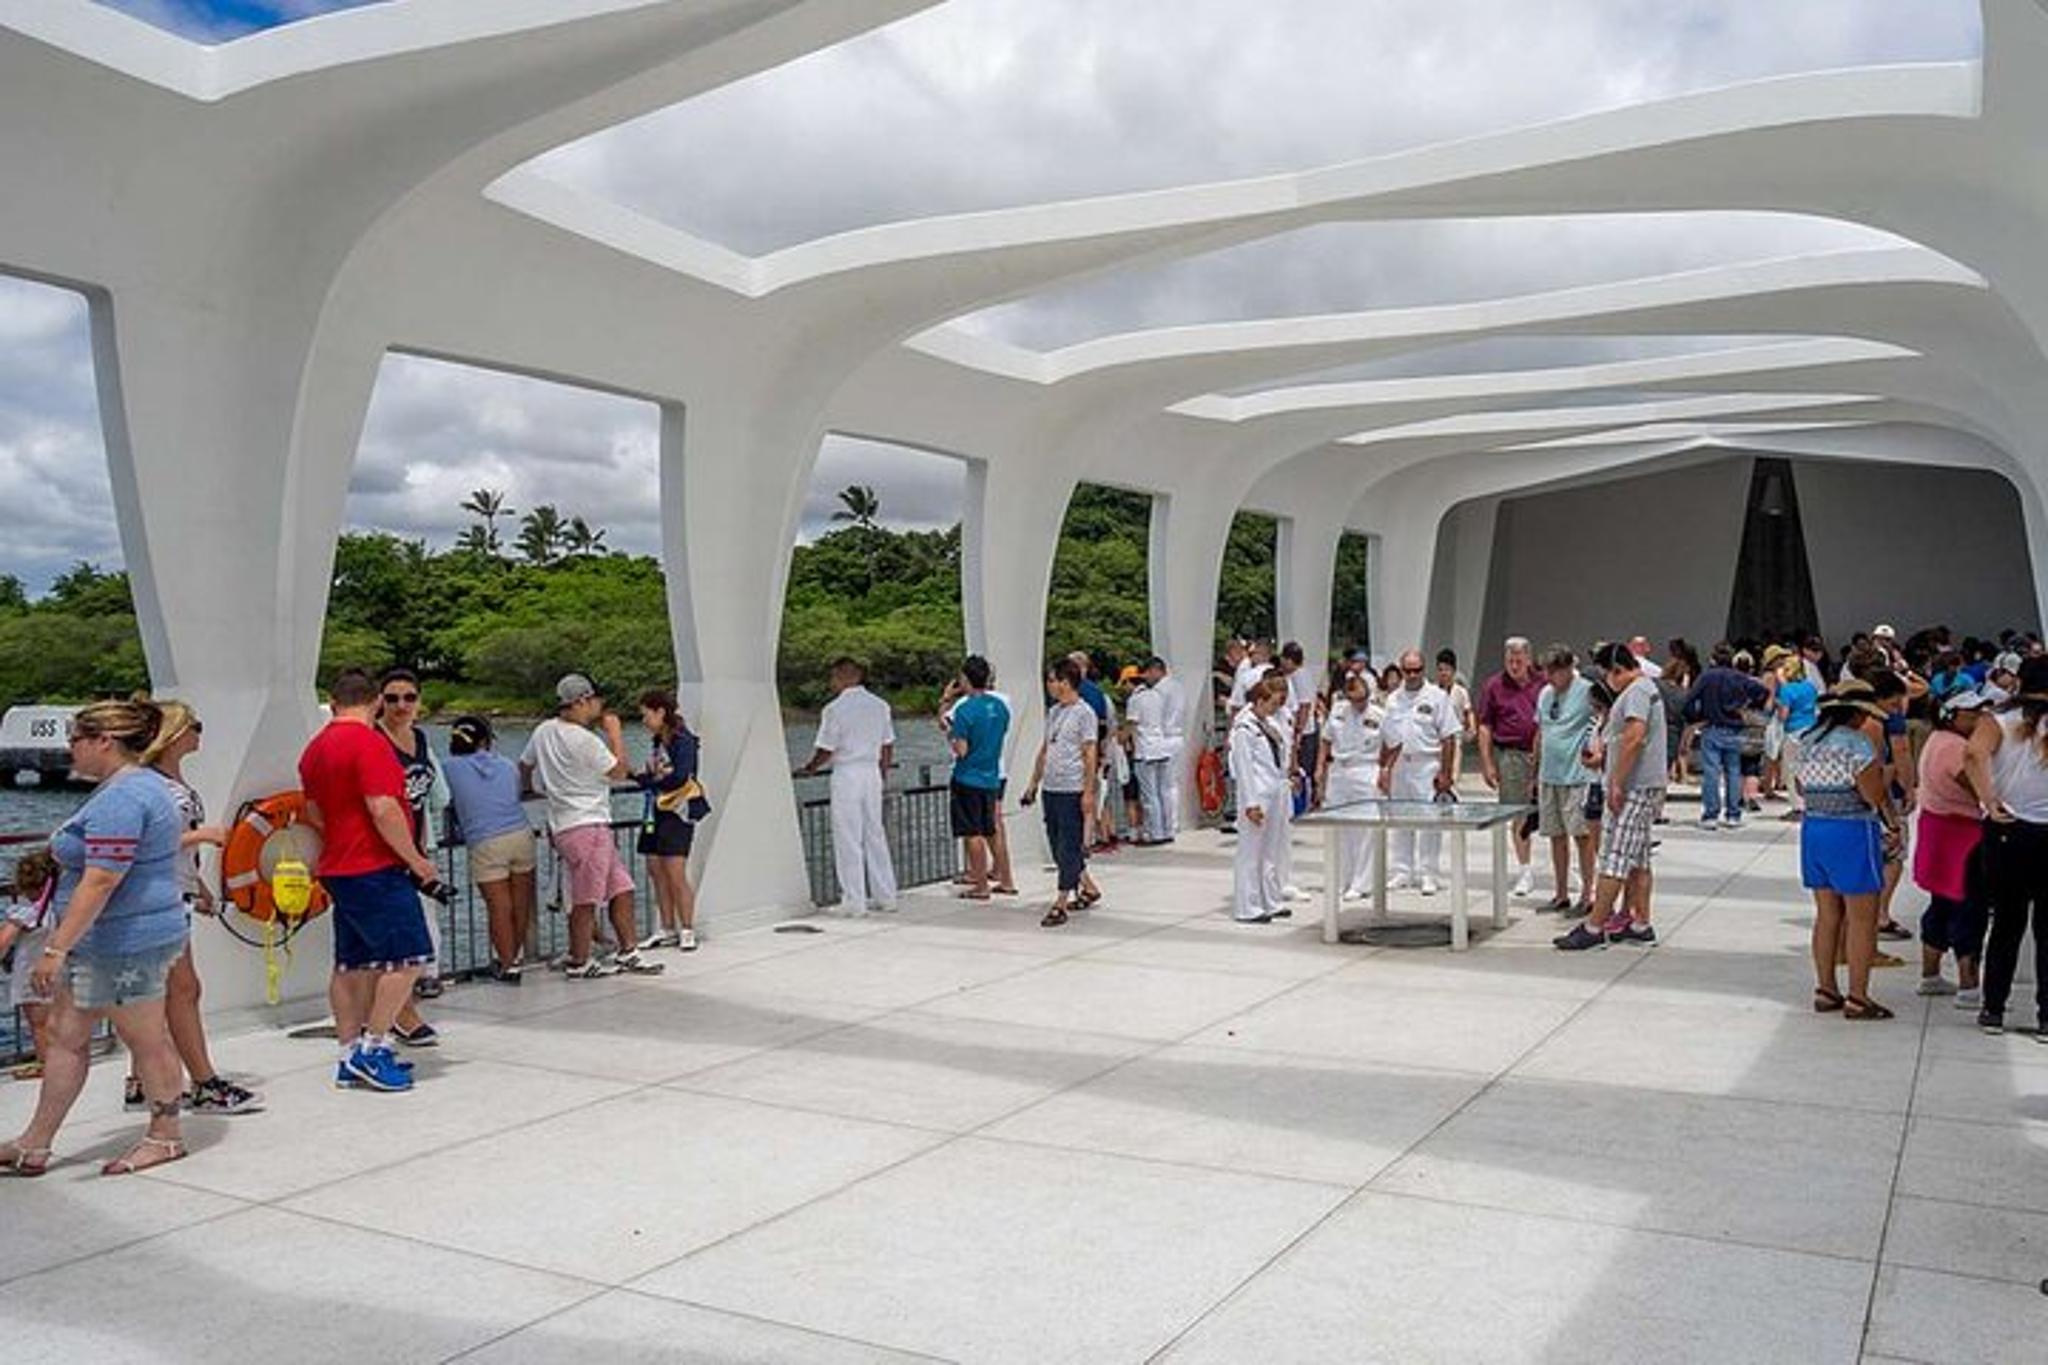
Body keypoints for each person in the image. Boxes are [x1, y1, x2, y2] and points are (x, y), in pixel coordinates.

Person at [0, 702, 196, 1175]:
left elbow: (101, 879)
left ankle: (166, 1135)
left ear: (103, 742)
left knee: (146, 1038)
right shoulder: (143, 788)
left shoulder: (123, 799)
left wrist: (54, 948)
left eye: (75, 741)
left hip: (124, 941)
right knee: (67, 1037)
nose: (70, 751)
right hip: (108, 940)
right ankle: (35, 1141)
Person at [301, 671, 449, 1092]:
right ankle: (375, 1045)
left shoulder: (315, 750)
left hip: (337, 867)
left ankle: (348, 1054)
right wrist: (416, 860)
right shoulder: (371, 744)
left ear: (332, 701)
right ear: (375, 703)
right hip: (375, 867)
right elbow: (384, 808)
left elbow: (313, 811)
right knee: (407, 958)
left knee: (352, 964)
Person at [133, 701, 260, 1113]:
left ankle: (140, 1081)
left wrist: (200, 887)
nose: (199, 733)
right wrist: (203, 835)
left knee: (158, 993)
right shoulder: (151, 786)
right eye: (194, 726)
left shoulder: (169, 782)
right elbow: (143, 843)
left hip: (176, 893)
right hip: (158, 901)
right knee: (184, 990)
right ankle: (204, 1082)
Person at [523, 673, 661, 973]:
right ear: (582, 701)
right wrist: (615, 735)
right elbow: (620, 771)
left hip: (566, 824)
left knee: (621, 887)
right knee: (587, 897)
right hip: (589, 824)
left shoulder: (543, 731)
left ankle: (628, 949)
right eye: (596, 700)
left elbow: (525, 764)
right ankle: (579, 959)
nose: (600, 706)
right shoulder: (586, 741)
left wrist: (529, 790)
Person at [1794, 681, 1900, 1019]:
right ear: (1856, 713)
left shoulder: (1806, 741)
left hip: (1814, 830)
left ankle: (1826, 988)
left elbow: (1799, 785)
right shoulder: (1857, 744)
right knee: (1861, 919)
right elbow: (1872, 795)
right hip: (1852, 832)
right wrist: (1893, 820)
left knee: (1827, 915)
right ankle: (1858, 996)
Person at [1555, 644, 1667, 951]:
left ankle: (1594, 926)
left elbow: (1634, 737)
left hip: (1634, 787)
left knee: (1615, 857)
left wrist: (1616, 782)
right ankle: (1640, 922)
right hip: (1641, 784)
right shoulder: (1643, 689)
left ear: (1617, 668)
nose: (1608, 681)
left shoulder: (1637, 692)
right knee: (1639, 858)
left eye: (1608, 673)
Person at [1962, 656, 2048, 1037]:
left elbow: (1972, 754)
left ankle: (1993, 1007)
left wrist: (1988, 798)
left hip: (2007, 829)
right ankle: (2046, 1016)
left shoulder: (1997, 718)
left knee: (2007, 923)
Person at [794, 658, 898, 918]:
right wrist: (882, 772)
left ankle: (854, 900)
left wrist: (811, 767)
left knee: (848, 836)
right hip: (871, 772)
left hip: (848, 773)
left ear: (842, 677)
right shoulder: (880, 705)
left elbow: (827, 748)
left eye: (833, 678)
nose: (832, 683)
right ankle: (886, 896)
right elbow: (887, 745)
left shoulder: (834, 709)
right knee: (875, 833)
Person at [377, 669, 448, 1041]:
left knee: (411, 942)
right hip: (384, 855)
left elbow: (433, 801)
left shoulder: (420, 741)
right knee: (399, 943)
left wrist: (420, 854)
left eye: (408, 697)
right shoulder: (375, 742)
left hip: (414, 849)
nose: (401, 705)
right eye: (392, 698)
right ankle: (397, 1016)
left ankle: (393, 1015)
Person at [443, 715, 537, 981]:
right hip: (521, 833)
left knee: (499, 908)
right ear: (485, 741)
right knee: (520, 905)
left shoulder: (448, 768)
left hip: (485, 841)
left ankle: (508, 966)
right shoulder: (507, 765)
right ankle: (514, 957)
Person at [1914, 691, 1992, 1004]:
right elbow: (1974, 785)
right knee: (1970, 907)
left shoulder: (1936, 740)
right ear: (1953, 715)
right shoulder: (1957, 748)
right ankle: (1969, 984)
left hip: (1937, 830)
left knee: (1941, 903)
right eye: (1972, 713)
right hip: (1962, 835)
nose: (1979, 719)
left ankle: (1930, 975)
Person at [1022, 657, 1100, 927]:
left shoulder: (1084, 713)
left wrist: (1088, 791)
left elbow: (1090, 753)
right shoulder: (1054, 712)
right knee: (1055, 841)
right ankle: (1087, 885)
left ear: (1066, 683)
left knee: (1069, 843)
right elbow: (1046, 748)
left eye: (1053, 680)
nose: (1049, 685)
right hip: (1052, 786)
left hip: (1071, 786)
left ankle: (1061, 900)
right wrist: (1033, 783)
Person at [1378, 649, 1461, 895]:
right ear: (1401, 671)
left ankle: (1429, 873)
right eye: (1407, 670)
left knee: (1429, 820)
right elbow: (1387, 737)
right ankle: (1402, 870)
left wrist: (1445, 773)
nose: (1412, 675)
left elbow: (1448, 737)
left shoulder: (1437, 697)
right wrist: (1384, 769)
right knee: (1401, 817)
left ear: (1424, 670)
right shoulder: (1393, 699)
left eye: (1417, 670)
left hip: (1427, 764)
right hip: (1400, 764)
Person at [634, 690, 703, 953]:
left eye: (646, 714)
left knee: (675, 871)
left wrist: (651, 780)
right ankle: (666, 927)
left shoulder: (682, 740)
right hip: (655, 810)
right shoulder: (657, 741)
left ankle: (687, 927)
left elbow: (680, 776)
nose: (643, 720)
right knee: (656, 868)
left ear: (660, 712)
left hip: (677, 811)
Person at [1533, 645, 1600, 914]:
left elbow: (1602, 722)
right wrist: (1534, 771)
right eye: (1546, 672)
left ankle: (1588, 893)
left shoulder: (1586, 690)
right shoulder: (1545, 693)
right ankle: (1560, 893)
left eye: (1553, 672)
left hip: (1576, 776)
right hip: (1549, 774)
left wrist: (1595, 753)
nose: (1549, 677)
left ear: (1566, 669)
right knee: (1555, 835)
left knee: (1581, 836)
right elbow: (1541, 730)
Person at [1475, 636, 1542, 898]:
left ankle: (1571, 871)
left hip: (1544, 756)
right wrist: (1487, 762)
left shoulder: (1543, 683)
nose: (1514, 665)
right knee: (1518, 814)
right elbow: (1484, 725)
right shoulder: (1494, 685)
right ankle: (1525, 870)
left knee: (1553, 813)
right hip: (1511, 755)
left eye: (1519, 660)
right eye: (1510, 660)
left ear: (1528, 658)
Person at [1229, 676, 1294, 923]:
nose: (1276, 708)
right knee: (1250, 852)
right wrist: (1250, 804)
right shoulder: (1244, 728)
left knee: (1270, 850)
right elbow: (1243, 768)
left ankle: (1271, 900)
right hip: (1256, 794)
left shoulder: (1266, 723)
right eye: (1273, 703)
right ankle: (1248, 906)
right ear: (1260, 700)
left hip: (1274, 790)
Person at [1315, 670, 1384, 900]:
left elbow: (1394, 743)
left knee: (1365, 828)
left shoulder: (1379, 714)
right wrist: (1320, 769)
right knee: (1338, 826)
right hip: (1339, 770)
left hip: (1366, 768)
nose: (1358, 704)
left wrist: (1385, 770)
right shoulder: (1337, 711)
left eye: (1362, 699)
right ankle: (1341, 878)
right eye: (1354, 699)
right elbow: (1325, 740)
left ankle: (1362, 883)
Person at [1684, 643, 1768, 830]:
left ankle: (1710, 815)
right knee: (1734, 771)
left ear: (1713, 659)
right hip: (1734, 728)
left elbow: (1689, 700)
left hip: (1712, 726)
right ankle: (1733, 814)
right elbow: (1762, 691)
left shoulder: (1706, 677)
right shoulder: (1739, 677)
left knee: (1712, 772)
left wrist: (1696, 717)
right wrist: (1748, 706)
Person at [946, 656, 1010, 897]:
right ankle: (1004, 878)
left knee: (972, 833)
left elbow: (961, 749)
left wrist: (951, 735)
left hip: (968, 777)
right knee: (991, 829)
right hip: (992, 776)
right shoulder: (1000, 707)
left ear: (965, 678)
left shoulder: (964, 710)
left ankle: (980, 884)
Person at [0, 850, 60, 1078]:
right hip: (59, 971)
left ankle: (46, 1064)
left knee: (39, 1024)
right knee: (57, 1022)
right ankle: (59, 1062)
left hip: (31, 974)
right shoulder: (59, 908)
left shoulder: (25, 912)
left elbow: (4, 940)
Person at [1126, 657, 1174, 845]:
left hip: (1145, 751)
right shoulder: (1158, 697)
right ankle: (1168, 829)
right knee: (1163, 792)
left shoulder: (1135, 700)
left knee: (1150, 795)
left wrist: (1121, 739)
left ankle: (1156, 833)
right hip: (1161, 747)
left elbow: (1131, 724)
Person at [1775, 650, 1821, 820]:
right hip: (1810, 729)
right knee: (1806, 769)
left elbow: (1783, 715)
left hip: (1794, 731)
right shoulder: (1810, 687)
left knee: (1790, 770)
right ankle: (1808, 803)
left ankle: (1797, 806)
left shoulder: (1787, 690)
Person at [1154, 657, 1190, 836]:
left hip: (1165, 738)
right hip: (1178, 736)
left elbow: (1156, 715)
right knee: (1173, 784)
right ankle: (1174, 823)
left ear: (1157, 670)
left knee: (1164, 785)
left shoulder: (1159, 690)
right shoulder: (1179, 687)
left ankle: (1167, 825)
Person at [1434, 648, 1475, 781]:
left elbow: (1468, 711)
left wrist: (1472, 728)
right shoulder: (1432, 691)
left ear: (1453, 671)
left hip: (1455, 738)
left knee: (1452, 776)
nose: (1443, 673)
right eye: (1440, 669)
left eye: (1446, 669)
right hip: (1435, 739)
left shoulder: (1461, 691)